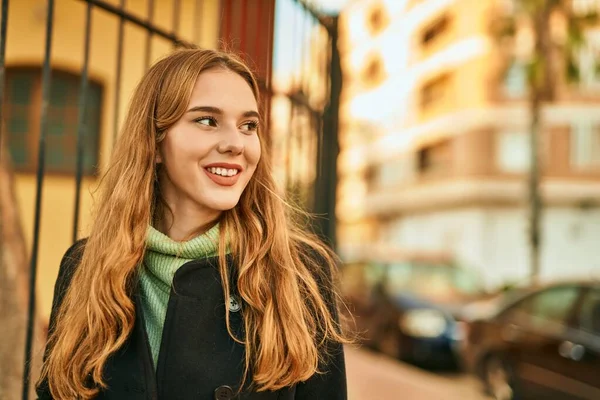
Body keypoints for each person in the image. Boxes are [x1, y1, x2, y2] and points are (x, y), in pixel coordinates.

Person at [36, 48, 348, 400]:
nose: (235, 144)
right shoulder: (84, 264)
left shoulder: (300, 271)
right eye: (207, 120)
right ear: (153, 141)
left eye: (248, 126)